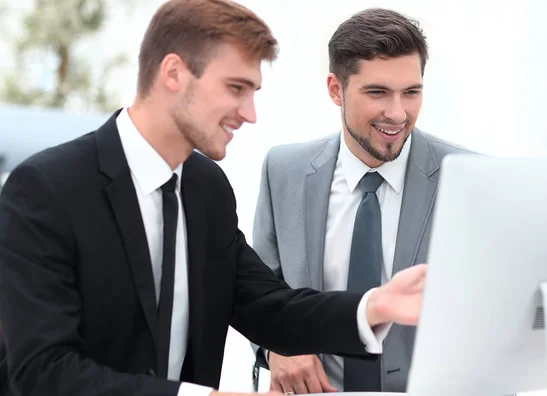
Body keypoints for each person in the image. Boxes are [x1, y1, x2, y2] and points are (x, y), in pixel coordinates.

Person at [0, 1, 427, 396]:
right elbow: (43, 370)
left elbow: (270, 308)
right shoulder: (44, 190)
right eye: (236, 88)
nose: (249, 112)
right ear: (173, 74)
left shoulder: (207, 189)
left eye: (253, 91)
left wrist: (375, 305)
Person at [251, 7, 471, 394]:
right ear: (336, 89)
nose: (397, 113)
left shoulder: (468, 178)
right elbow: (259, 293)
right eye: (378, 92)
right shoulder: (282, 170)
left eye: (411, 92)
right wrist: (274, 347)